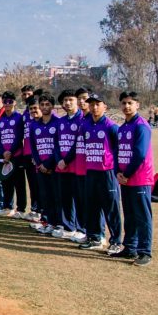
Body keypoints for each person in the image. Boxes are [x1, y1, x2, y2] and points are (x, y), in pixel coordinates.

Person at [79, 93, 122, 254]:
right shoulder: (85, 126)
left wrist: (117, 170)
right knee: (92, 206)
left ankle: (116, 241)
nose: (94, 107)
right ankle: (95, 238)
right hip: (91, 171)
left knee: (111, 208)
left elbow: (118, 150)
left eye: (98, 104)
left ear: (105, 106)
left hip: (107, 172)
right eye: (91, 104)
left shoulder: (111, 126)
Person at [115, 91, 154, 266]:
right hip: (125, 179)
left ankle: (145, 252)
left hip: (139, 179)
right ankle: (130, 247)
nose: (126, 106)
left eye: (130, 103)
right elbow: (118, 152)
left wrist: (127, 174)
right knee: (129, 215)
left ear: (137, 105)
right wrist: (118, 172)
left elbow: (140, 154)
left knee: (142, 216)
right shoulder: (123, 127)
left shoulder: (141, 126)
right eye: (124, 103)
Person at [54, 89, 85, 241]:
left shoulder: (82, 119)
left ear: (77, 101)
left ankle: (81, 228)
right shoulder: (61, 121)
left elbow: (77, 143)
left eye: (71, 100)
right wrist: (59, 160)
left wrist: (66, 160)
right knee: (65, 197)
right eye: (65, 100)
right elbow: (56, 143)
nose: (67, 103)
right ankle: (68, 227)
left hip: (76, 166)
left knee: (79, 199)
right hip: (62, 167)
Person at [29, 94, 61, 234]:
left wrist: (48, 164)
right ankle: (47, 222)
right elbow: (33, 147)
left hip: (54, 167)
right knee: (45, 196)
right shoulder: (34, 125)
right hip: (40, 167)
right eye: (42, 104)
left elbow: (58, 147)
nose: (44, 107)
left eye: (47, 104)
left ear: (52, 106)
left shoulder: (58, 123)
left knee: (56, 196)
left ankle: (58, 223)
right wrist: (39, 164)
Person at [0, 91, 27, 218]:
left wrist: (10, 152)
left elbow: (19, 137)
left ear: (15, 103)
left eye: (10, 101)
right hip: (5, 157)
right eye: (5, 102)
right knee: (6, 182)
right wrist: (3, 152)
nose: (7, 104)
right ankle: (7, 207)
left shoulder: (19, 118)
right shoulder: (0, 120)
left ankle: (21, 209)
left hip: (17, 156)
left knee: (19, 183)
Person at [70, 87, 92, 244]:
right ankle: (84, 230)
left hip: (92, 169)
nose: (82, 101)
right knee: (81, 201)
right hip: (79, 168)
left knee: (92, 204)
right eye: (79, 99)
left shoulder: (94, 119)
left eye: (85, 98)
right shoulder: (82, 119)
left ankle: (97, 234)